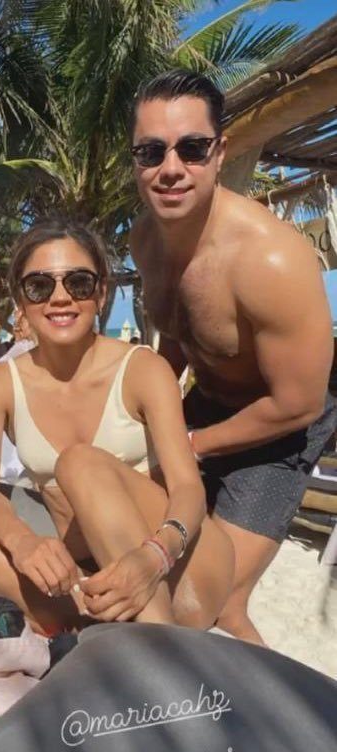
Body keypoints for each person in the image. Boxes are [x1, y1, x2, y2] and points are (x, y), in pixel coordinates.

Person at [129, 69, 337, 645]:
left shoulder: (270, 260)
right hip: (204, 405)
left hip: (280, 429)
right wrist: (147, 412)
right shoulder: (144, 240)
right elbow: (177, 335)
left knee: (218, 604)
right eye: (151, 151)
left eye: (192, 148)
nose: (171, 168)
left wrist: (189, 445)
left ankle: (269, 701)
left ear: (219, 153)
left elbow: (298, 405)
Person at [0, 218, 234, 635]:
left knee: (79, 463)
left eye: (78, 283)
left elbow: (188, 488)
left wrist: (155, 555)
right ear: (20, 298)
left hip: (180, 567)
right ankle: (104, 627)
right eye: (39, 286)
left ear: (102, 292)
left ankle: (159, 647)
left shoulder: (142, 369)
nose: (60, 298)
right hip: (93, 572)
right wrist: (23, 543)